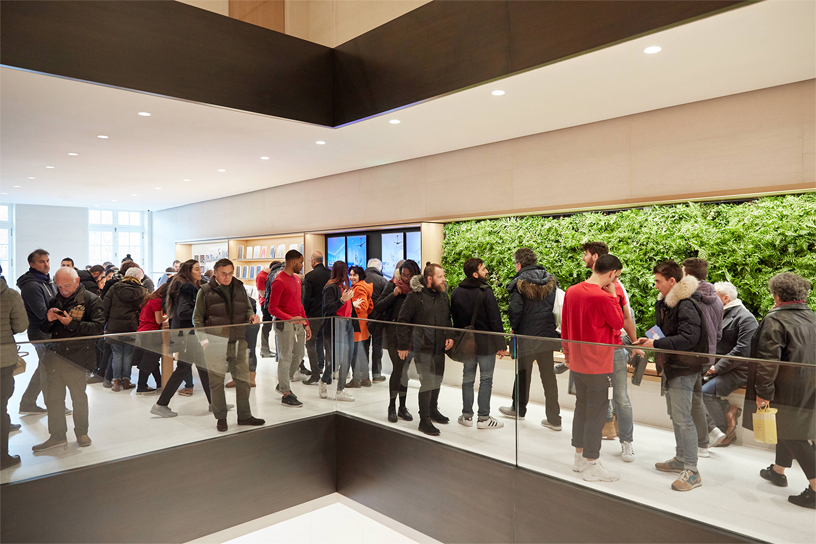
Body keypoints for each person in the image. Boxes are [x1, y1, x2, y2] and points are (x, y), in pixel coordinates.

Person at [744, 273, 816, 509]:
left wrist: (762, 392)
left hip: (784, 388)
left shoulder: (775, 320)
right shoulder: (812, 317)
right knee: (786, 428)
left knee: (790, 433)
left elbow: (767, 361)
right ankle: (778, 470)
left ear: (776, 295)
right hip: (810, 384)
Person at [637, 260, 708, 491]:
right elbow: (671, 332)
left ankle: (692, 470)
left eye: (658, 281)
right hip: (674, 366)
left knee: (683, 417)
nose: (655, 285)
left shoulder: (685, 304)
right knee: (676, 415)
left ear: (672, 281)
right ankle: (681, 459)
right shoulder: (669, 304)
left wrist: (656, 342)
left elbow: (689, 339)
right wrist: (650, 339)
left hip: (683, 368)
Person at [561, 254, 624, 483]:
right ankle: (592, 463)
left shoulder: (572, 291)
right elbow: (618, 323)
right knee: (596, 414)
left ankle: (579, 458)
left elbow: (565, 325)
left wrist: (567, 354)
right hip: (598, 364)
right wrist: (614, 294)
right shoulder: (605, 297)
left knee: (582, 408)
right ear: (611, 274)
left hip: (577, 361)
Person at [577, 242, 639, 459]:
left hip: (611, 348)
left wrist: (633, 343)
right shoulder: (581, 288)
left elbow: (623, 320)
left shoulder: (617, 288)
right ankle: (588, 447)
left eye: (585, 254)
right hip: (592, 350)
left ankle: (626, 441)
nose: (583, 258)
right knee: (594, 397)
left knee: (620, 396)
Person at [33, 266, 105, 451]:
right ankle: (57, 436)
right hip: (55, 357)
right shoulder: (54, 299)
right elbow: (44, 329)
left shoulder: (91, 300)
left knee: (78, 398)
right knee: (54, 399)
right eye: (59, 286)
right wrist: (48, 320)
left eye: (67, 285)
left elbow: (97, 329)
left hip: (77, 359)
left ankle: (82, 432)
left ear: (77, 281)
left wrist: (71, 324)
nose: (63, 290)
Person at [193, 258, 264, 431]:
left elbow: (248, 308)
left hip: (238, 340)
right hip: (215, 342)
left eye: (230, 273)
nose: (227, 277)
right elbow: (197, 318)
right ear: (215, 272)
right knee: (216, 382)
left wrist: (252, 316)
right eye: (224, 274)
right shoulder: (205, 291)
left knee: (243, 380)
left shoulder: (239, 287)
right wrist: (204, 340)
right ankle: (221, 417)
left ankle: (245, 415)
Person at [499, 248, 561, 430]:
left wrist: (514, 328)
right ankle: (554, 419)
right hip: (547, 336)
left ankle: (518, 409)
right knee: (549, 377)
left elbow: (515, 310)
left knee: (523, 373)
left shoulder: (518, 283)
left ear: (519, 264)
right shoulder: (551, 280)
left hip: (526, 336)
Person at [397, 262, 455, 436]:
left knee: (437, 380)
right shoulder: (415, 297)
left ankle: (433, 411)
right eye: (440, 276)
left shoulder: (443, 296)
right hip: (422, 347)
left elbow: (447, 319)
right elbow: (403, 321)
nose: (443, 279)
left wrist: (450, 335)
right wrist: (402, 345)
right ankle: (424, 419)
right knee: (427, 382)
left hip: (439, 347)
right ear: (429, 278)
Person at [150, 260, 214, 418]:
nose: (200, 271)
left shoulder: (181, 285)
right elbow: (184, 312)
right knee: (183, 369)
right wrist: (204, 315)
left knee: (202, 368)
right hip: (188, 335)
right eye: (197, 269)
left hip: (188, 334)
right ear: (188, 271)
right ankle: (160, 404)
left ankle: (215, 402)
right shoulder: (186, 287)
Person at [450, 258, 506, 430]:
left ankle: (466, 416)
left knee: (467, 379)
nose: (487, 271)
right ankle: (483, 418)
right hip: (486, 344)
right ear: (475, 274)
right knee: (486, 379)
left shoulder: (456, 292)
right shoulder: (486, 292)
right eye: (483, 269)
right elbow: (495, 320)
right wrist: (501, 345)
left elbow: (456, 320)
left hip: (467, 344)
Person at [705, 282, 758, 447]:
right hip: (717, 367)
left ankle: (723, 432)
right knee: (689, 387)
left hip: (737, 370)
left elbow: (743, 350)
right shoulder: (719, 313)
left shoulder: (746, 318)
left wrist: (716, 368)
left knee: (704, 393)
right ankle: (728, 409)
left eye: (714, 296)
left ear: (725, 298)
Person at [682, 258, 723, 458]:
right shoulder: (716, 299)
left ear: (687, 275)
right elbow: (718, 333)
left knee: (691, 400)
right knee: (694, 397)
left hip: (690, 357)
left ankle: (703, 442)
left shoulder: (689, 297)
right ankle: (709, 434)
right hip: (707, 356)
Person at [374, 259, 419, 423]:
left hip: (411, 336)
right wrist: (394, 295)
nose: (406, 278)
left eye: (409, 275)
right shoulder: (392, 285)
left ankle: (402, 406)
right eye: (403, 274)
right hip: (393, 335)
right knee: (399, 369)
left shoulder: (417, 289)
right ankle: (392, 406)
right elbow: (378, 307)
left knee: (404, 370)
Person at [267, 250, 312, 408]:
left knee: (299, 355)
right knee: (285, 357)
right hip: (284, 324)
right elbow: (272, 308)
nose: (302, 265)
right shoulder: (278, 281)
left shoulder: (296, 280)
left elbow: (299, 304)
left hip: (298, 322)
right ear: (293, 262)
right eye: (300, 262)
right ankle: (286, 391)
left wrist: (306, 323)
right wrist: (289, 318)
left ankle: (282, 383)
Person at [17, 249, 57, 415]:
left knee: (45, 367)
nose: (46, 264)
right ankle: (54, 407)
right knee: (49, 368)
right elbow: (42, 313)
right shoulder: (32, 286)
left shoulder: (47, 282)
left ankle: (28, 402)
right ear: (32, 264)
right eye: (42, 261)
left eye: (47, 260)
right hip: (40, 332)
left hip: (49, 331)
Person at [1, 265, 28, 469]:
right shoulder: (10, 295)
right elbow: (20, 326)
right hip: (3, 359)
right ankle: (2, 457)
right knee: (1, 406)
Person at [103, 267, 146, 391]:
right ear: (138, 278)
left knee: (117, 354)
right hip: (131, 327)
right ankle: (126, 380)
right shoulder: (142, 291)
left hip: (114, 326)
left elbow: (105, 307)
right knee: (128, 354)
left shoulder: (114, 288)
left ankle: (116, 381)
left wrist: (103, 325)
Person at [319, 261, 355, 402]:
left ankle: (340, 389)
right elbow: (329, 308)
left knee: (348, 356)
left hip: (347, 323)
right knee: (336, 359)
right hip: (336, 325)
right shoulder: (330, 287)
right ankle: (324, 381)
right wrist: (342, 300)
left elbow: (347, 306)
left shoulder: (343, 286)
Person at [132, 283, 168, 394]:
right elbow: (158, 320)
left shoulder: (150, 299)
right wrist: (169, 315)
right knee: (149, 361)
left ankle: (159, 383)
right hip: (151, 333)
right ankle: (141, 386)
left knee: (151, 360)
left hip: (142, 332)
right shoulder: (157, 302)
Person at [302, 252, 330, 384]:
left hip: (313, 315)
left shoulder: (310, 276)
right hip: (327, 314)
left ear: (313, 261)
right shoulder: (330, 274)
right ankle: (322, 367)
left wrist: (304, 313)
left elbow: (307, 297)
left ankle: (315, 373)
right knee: (321, 342)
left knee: (310, 343)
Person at [347, 266, 373, 388]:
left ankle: (357, 379)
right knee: (362, 354)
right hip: (363, 326)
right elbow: (370, 306)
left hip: (357, 326)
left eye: (354, 275)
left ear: (360, 276)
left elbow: (362, 305)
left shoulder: (358, 288)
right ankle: (365, 378)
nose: (352, 277)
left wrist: (351, 305)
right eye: (350, 275)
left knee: (355, 354)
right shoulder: (365, 287)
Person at [364, 258, 388, 383]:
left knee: (363, 347)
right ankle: (376, 374)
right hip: (378, 319)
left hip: (362, 319)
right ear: (380, 268)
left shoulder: (360, 279)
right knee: (377, 347)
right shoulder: (383, 281)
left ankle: (363, 375)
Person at [255, 262, 273, 358]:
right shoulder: (261, 276)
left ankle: (266, 349)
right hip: (265, 304)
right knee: (267, 326)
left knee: (270, 327)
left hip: (270, 303)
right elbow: (262, 293)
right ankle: (264, 349)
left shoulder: (269, 275)